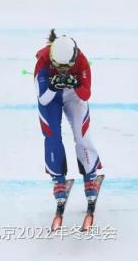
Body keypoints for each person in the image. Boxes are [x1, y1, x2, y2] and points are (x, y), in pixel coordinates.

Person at [34, 29, 102, 204]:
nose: (63, 71)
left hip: (73, 96)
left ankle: (90, 175)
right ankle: (58, 178)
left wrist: (77, 84)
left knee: (82, 135)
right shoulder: (43, 60)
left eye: (67, 67)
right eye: (59, 67)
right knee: (52, 136)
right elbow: (42, 99)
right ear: (52, 59)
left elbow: (85, 95)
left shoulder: (81, 60)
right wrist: (53, 87)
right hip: (51, 97)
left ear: (74, 58)